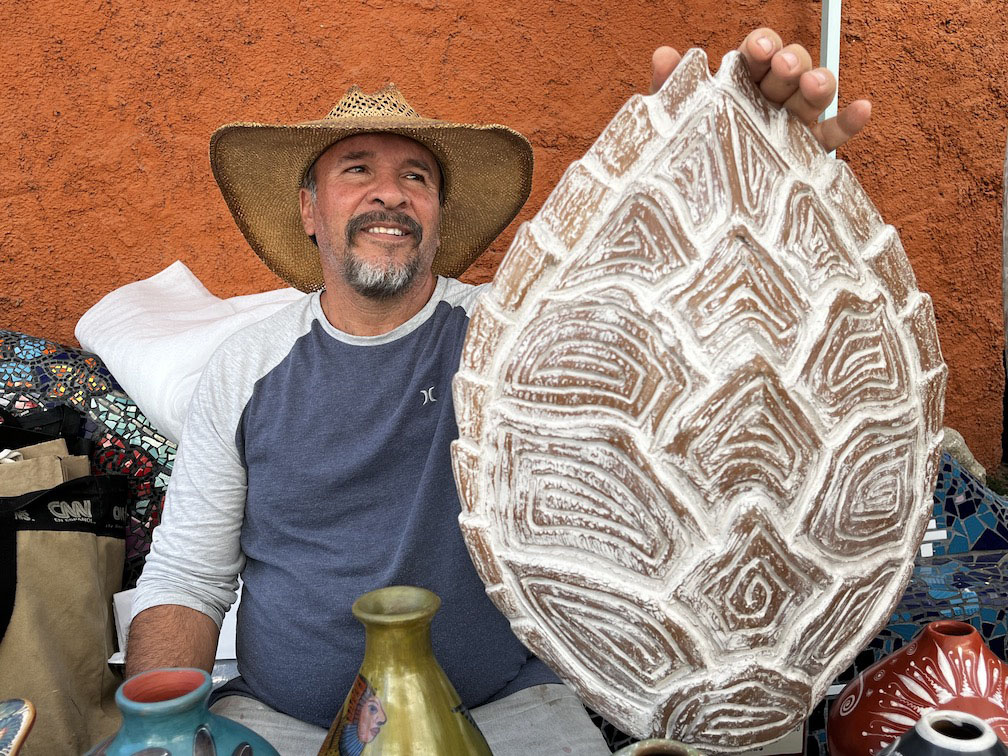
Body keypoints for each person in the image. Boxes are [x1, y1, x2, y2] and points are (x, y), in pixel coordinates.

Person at [125, 28, 871, 755]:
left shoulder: (508, 335)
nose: (390, 194)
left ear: (438, 217)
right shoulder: (246, 366)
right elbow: (189, 575)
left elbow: (664, 352)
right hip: (284, 720)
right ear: (309, 211)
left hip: (508, 709)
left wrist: (734, 186)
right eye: (356, 169)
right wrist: (157, 729)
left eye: (416, 177)